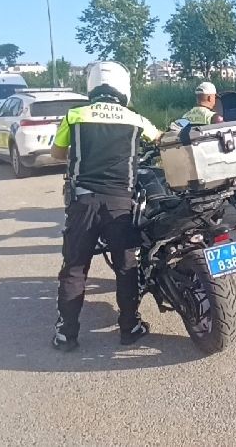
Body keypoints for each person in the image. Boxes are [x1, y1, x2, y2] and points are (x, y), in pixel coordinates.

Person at [49, 68, 162, 352]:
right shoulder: (135, 118)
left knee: (74, 267)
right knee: (126, 267)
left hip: (83, 201)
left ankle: (66, 335)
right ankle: (129, 327)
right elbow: (161, 140)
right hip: (120, 204)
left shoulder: (75, 115)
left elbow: (56, 154)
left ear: (92, 87)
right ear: (123, 89)